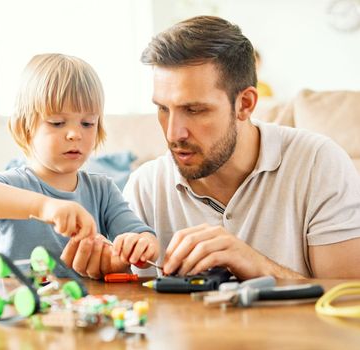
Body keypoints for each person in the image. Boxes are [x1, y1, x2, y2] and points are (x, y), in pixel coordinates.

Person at [123, 16, 360, 280]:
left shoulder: (319, 164)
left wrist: (257, 265)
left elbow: (348, 301)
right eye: (163, 109)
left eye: (194, 110)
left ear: (245, 104)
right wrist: (99, 269)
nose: (173, 133)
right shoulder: (145, 187)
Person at [0, 53, 158, 279]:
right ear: (25, 127)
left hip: (86, 309)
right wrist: (44, 207)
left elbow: (140, 235)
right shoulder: (13, 186)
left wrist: (141, 244)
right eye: (57, 123)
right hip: (25, 308)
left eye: (88, 123)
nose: (75, 134)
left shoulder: (103, 190)